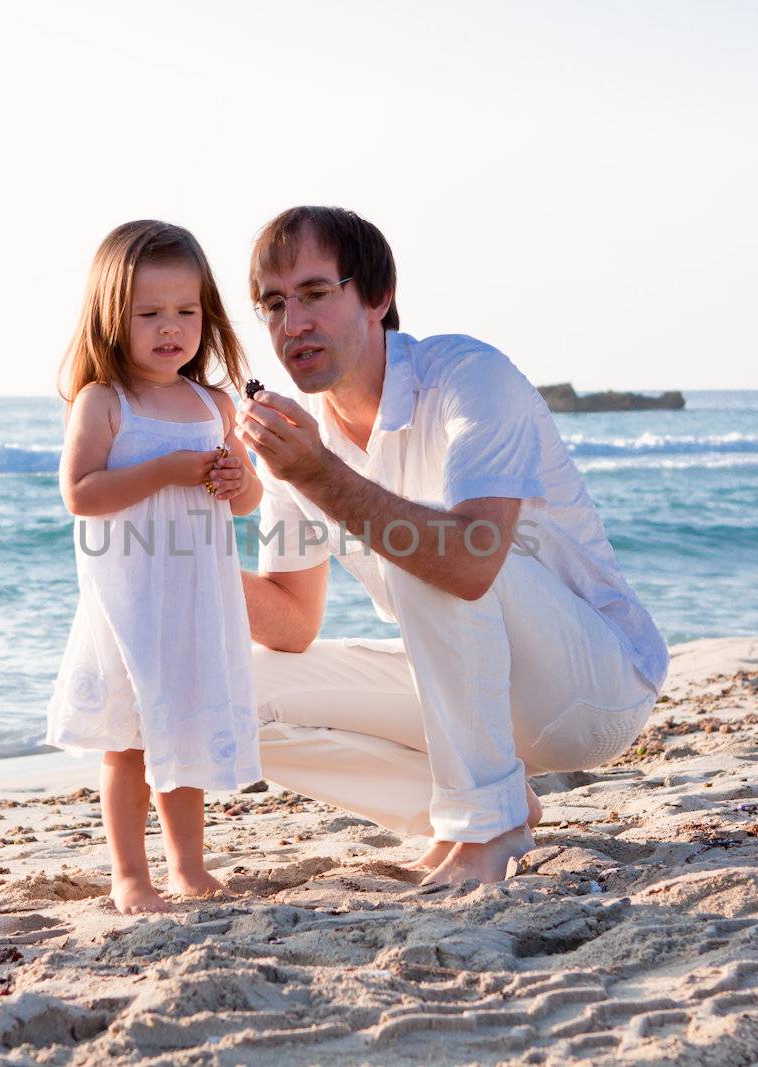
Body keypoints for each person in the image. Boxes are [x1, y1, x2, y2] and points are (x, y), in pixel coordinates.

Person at [212, 206, 669, 885]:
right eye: (272, 305)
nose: (291, 324)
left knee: (426, 545)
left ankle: (484, 825)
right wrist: (185, 559)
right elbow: (291, 621)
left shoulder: (467, 376)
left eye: (314, 294)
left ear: (377, 296)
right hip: (465, 690)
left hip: (589, 688)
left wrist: (314, 471)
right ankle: (488, 802)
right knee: (222, 691)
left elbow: (469, 561)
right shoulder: (301, 437)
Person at [48, 220, 264, 914]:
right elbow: (82, 493)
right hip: (130, 601)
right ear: (114, 317)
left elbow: (247, 500)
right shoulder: (105, 402)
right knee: (130, 744)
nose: (169, 328)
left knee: (186, 727)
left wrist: (236, 479)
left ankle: (188, 865)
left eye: (185, 312)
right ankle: (130, 875)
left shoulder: (213, 403)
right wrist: (169, 469)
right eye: (149, 314)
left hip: (196, 600)